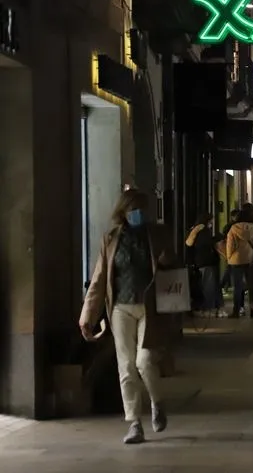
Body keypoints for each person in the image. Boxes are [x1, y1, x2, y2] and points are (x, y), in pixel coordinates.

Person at [79, 188, 178, 444]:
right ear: (123, 211)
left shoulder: (157, 234)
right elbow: (99, 279)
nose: (138, 214)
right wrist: (87, 315)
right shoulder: (111, 239)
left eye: (141, 209)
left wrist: (167, 260)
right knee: (126, 366)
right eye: (133, 209)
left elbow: (173, 268)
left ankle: (157, 402)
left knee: (144, 361)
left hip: (149, 308)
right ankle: (134, 423)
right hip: (120, 308)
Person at [226, 206, 253, 318]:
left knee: (238, 287)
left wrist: (229, 257)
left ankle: (236, 310)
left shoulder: (234, 228)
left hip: (236, 260)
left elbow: (230, 245)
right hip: (251, 259)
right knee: (252, 286)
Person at [185, 213, 222, 314]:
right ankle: (207, 307)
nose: (211, 223)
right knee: (208, 286)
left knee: (203, 284)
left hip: (198, 261)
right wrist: (216, 238)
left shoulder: (194, 230)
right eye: (210, 221)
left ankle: (204, 306)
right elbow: (206, 244)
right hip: (205, 261)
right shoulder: (204, 231)